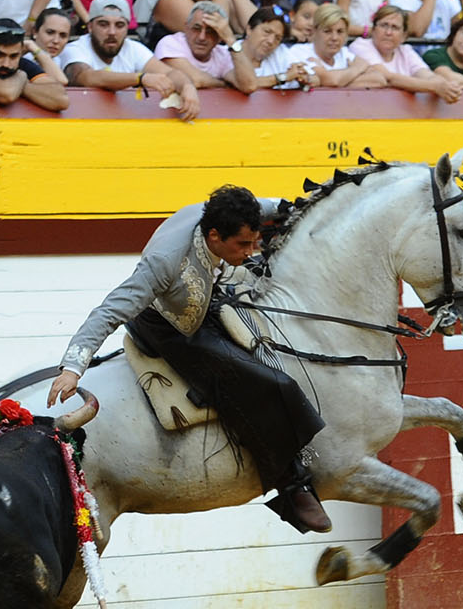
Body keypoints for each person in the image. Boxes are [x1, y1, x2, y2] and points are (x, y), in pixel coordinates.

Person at [47, 183, 331, 533]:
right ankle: (291, 485)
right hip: (169, 328)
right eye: (243, 245)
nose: (250, 251)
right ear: (214, 236)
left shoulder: (218, 215)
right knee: (267, 383)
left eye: (252, 241)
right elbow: (110, 310)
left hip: (203, 300)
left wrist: (292, 205)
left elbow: (262, 206)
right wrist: (73, 368)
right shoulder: (165, 263)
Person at [58, 0, 199, 117]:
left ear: (127, 28)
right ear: (90, 27)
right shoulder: (75, 48)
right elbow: (87, 77)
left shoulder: (132, 48)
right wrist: (140, 78)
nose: (112, 32)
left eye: (119, 25)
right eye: (103, 24)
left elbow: (170, 73)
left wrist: (187, 86)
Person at [0, 16, 69, 111]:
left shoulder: (22, 63)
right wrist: (21, 76)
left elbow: (61, 100)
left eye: (13, 56)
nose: (6, 64)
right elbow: (6, 95)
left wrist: (21, 87)